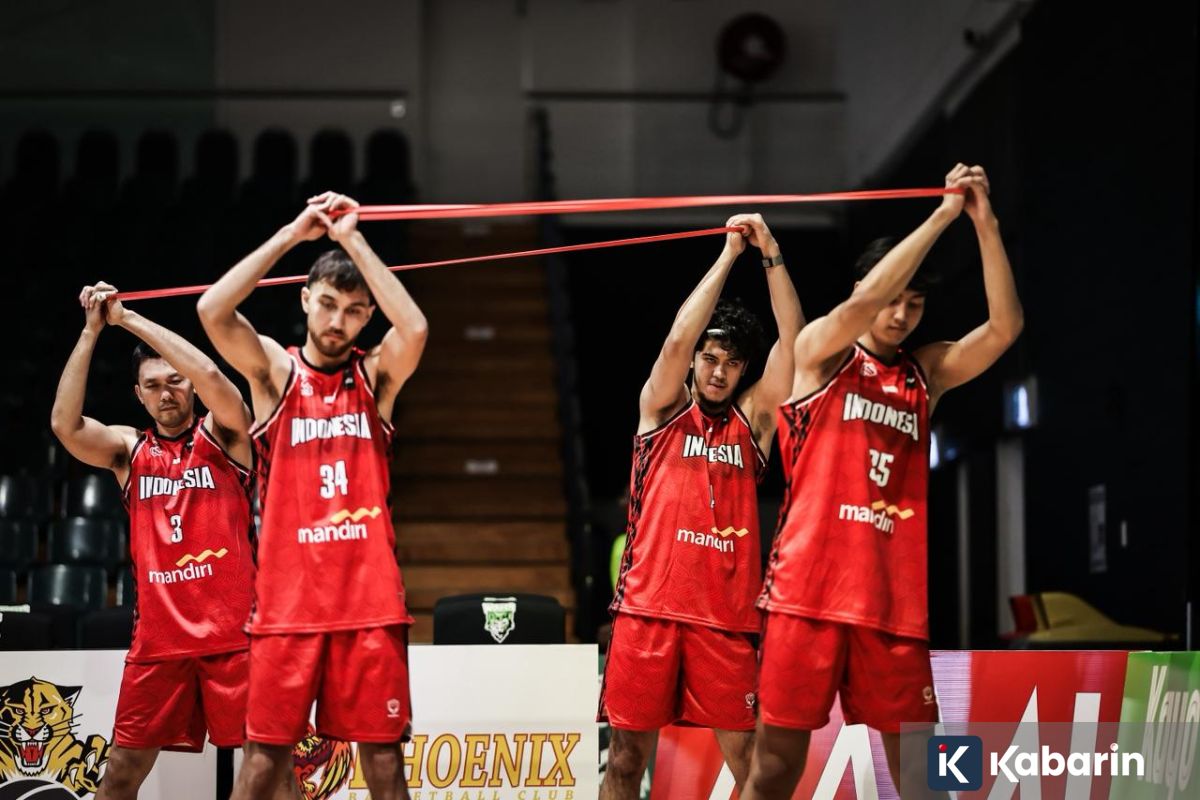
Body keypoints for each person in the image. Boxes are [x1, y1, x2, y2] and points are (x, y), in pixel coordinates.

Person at [743, 164, 1023, 798]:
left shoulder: (925, 375)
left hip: (890, 606)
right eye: (895, 298)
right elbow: (863, 306)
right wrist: (942, 215)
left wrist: (984, 224)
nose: (901, 315)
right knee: (775, 770)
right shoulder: (820, 353)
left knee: (925, 780)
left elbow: (1005, 329)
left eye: (915, 304)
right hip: (806, 596)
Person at [198, 192, 427, 800]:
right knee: (261, 766)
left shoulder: (374, 377)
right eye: (327, 303)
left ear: (367, 317)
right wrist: (293, 234)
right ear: (305, 299)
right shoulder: (276, 373)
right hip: (288, 605)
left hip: (368, 603)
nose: (337, 321)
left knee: (384, 766)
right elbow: (212, 309)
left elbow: (416, 328)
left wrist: (352, 238)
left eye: (353, 311)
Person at [599, 214, 805, 798]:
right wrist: (728, 254)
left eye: (731, 363)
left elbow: (795, 344)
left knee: (752, 766)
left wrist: (769, 253)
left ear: (743, 371)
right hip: (648, 613)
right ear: (695, 361)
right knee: (624, 762)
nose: (718, 372)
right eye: (710, 358)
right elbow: (674, 341)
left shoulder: (753, 421)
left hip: (726, 623)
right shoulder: (662, 408)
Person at [50, 282, 256, 800]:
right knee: (119, 777)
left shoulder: (227, 437)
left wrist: (128, 319)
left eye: (175, 381)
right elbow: (64, 425)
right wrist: (92, 330)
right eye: (153, 385)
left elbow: (213, 376)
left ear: (190, 387)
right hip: (160, 645)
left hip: (237, 641)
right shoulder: (128, 451)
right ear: (138, 394)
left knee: (271, 777)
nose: (167, 393)